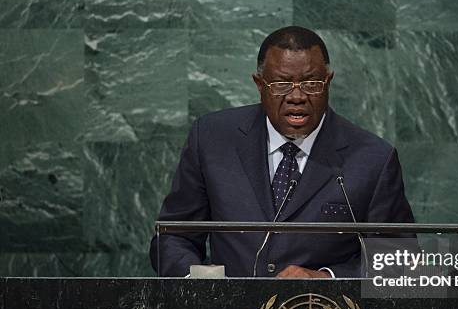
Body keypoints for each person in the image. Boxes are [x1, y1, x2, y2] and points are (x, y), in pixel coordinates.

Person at [150, 26, 414, 278]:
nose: (296, 96)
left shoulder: (373, 159)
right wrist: (197, 282)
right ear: (259, 83)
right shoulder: (212, 139)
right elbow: (174, 236)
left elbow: (402, 261)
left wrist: (327, 278)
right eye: (281, 84)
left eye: (311, 83)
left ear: (328, 82)